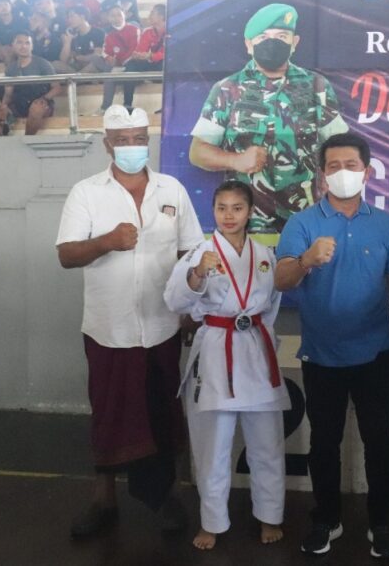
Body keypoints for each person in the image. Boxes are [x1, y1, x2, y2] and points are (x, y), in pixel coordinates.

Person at [56, 105, 203, 540]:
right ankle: (103, 501)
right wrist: (107, 241)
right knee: (110, 413)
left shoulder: (172, 189)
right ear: (108, 145)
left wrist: (189, 308)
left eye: (139, 138)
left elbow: (190, 252)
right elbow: (66, 254)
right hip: (109, 328)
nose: (132, 147)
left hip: (162, 325)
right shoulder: (86, 192)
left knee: (162, 412)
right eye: (123, 140)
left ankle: (165, 497)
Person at [274, 132, 389, 559]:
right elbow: (281, 280)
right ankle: (326, 519)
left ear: (366, 172)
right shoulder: (302, 223)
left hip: (375, 351)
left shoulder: (384, 224)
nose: (342, 173)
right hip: (322, 354)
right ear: (322, 174)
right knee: (323, 443)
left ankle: (382, 522)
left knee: (380, 442)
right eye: (333, 166)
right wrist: (306, 260)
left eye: (350, 165)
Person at [164, 179, 290, 551]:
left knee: (267, 443)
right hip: (216, 353)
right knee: (213, 445)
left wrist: (253, 329)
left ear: (250, 212)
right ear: (213, 211)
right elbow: (174, 300)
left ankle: (270, 516)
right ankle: (212, 522)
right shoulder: (199, 254)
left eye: (237, 208)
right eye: (222, 208)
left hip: (256, 352)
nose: (229, 215)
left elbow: (272, 305)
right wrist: (198, 274)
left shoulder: (265, 255)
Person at [190, 3, 348, 234]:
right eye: (263, 37)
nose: (272, 43)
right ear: (248, 44)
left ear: (294, 43)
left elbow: (342, 148)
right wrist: (236, 160)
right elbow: (197, 152)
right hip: (247, 225)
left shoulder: (316, 86)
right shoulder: (227, 89)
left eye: (282, 36)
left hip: (306, 222)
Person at [0, 32, 60, 136]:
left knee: (36, 108)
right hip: (19, 105)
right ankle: (8, 141)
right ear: (13, 45)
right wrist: (4, 105)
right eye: (19, 43)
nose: (23, 46)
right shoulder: (11, 68)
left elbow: (56, 88)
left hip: (40, 103)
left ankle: (27, 140)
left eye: (27, 43)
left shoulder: (43, 64)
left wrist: (44, 98)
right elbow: (8, 93)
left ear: (32, 46)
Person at [94, 4, 140, 111]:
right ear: (108, 18)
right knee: (97, 60)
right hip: (114, 65)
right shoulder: (108, 33)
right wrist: (109, 58)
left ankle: (106, 107)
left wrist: (120, 63)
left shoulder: (134, 29)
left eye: (119, 15)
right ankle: (105, 107)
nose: (116, 18)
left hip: (130, 64)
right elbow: (106, 51)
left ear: (125, 15)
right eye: (113, 15)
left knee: (109, 72)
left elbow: (134, 50)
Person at [121, 3, 165, 109]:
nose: (149, 15)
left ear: (161, 16)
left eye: (152, 13)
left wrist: (150, 56)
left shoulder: (172, 31)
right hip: (152, 63)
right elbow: (140, 50)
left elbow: (168, 54)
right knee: (131, 65)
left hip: (164, 64)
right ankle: (127, 105)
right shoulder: (148, 32)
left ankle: (167, 107)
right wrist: (138, 55)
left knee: (167, 64)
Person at [56, 5, 106, 73]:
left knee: (96, 63)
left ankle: (77, 77)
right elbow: (63, 60)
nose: (69, 20)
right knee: (56, 64)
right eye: (68, 17)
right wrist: (67, 42)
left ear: (82, 16)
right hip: (78, 69)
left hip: (92, 68)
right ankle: (78, 77)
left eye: (72, 16)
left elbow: (97, 55)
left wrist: (80, 58)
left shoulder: (98, 32)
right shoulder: (73, 35)